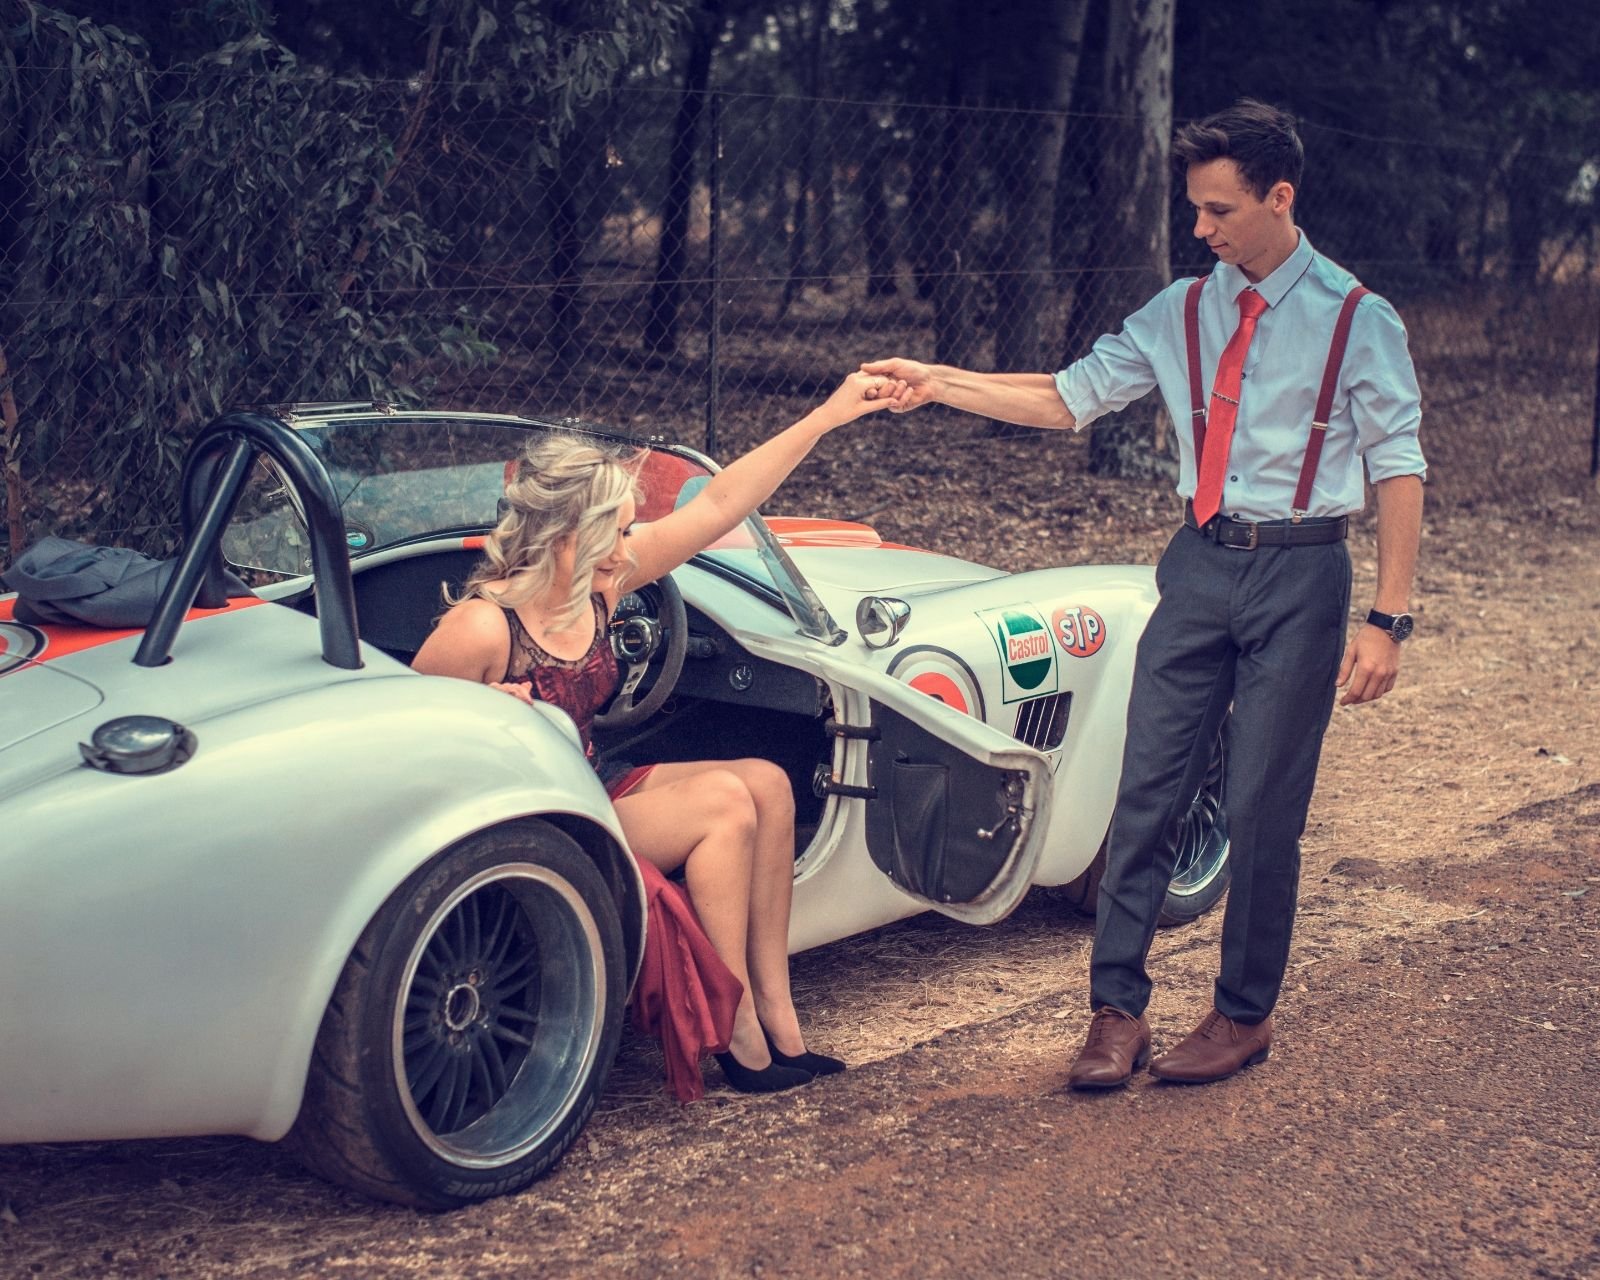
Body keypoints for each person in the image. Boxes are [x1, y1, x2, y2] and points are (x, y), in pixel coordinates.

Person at [863, 99, 1425, 1089]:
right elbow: (1064, 396)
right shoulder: (1181, 310)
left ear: (1278, 197)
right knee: (1146, 789)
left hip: (1302, 571)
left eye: (1218, 210)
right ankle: (1114, 1010)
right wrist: (938, 381)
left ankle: (1242, 1013)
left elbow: (1398, 466)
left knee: (1261, 808)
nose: (1200, 228)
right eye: (1194, 209)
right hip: (1198, 565)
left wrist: (1387, 618)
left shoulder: (1356, 317)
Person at [412, 370, 903, 1095]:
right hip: (544, 819)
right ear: (564, 537)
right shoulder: (483, 626)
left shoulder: (602, 583)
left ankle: (779, 1012)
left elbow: (723, 503)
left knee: (768, 783)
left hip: (591, 781)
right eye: (613, 531)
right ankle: (736, 1030)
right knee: (724, 806)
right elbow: (407, 741)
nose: (626, 547)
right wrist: (493, 715)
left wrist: (826, 417)